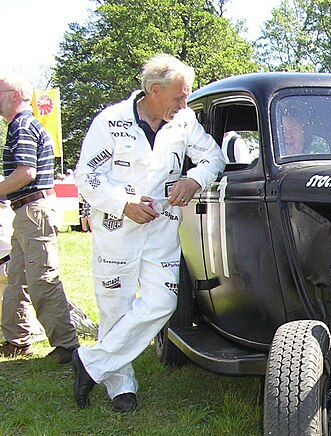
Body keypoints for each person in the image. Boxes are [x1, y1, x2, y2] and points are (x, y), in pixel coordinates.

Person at [72, 54, 225, 412]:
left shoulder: (184, 122)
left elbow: (213, 157)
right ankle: (120, 385)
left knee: (162, 302)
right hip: (117, 229)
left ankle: (91, 362)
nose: (184, 104)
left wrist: (194, 178)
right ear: (154, 91)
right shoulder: (110, 122)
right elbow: (87, 176)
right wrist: (122, 203)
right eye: (179, 97)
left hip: (162, 228)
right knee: (115, 308)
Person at [0, 73, 79, 362]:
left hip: (33, 211)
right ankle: (17, 340)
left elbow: (26, 173)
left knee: (42, 279)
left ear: (13, 95)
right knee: (17, 278)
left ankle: (67, 346)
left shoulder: (21, 126)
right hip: (28, 211)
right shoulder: (23, 125)